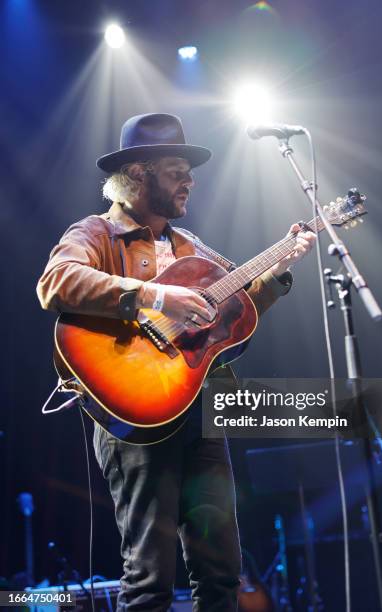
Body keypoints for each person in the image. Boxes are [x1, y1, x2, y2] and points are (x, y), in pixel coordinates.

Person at [37, 113, 316, 611]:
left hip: (198, 411)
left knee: (222, 570)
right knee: (150, 578)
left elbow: (236, 315)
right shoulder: (98, 232)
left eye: (189, 171)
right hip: (135, 411)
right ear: (140, 175)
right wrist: (154, 297)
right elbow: (56, 283)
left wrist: (277, 270)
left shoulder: (192, 247)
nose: (189, 180)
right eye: (175, 170)